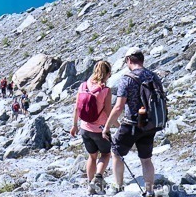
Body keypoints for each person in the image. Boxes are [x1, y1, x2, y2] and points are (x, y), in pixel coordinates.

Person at [102, 47, 165, 196]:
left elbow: (118, 107)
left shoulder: (127, 79)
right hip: (150, 124)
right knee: (146, 159)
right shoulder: (154, 76)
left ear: (129, 60)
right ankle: (149, 191)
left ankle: (118, 186)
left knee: (116, 152)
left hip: (131, 124)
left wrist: (106, 127)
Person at [70, 60, 113, 195]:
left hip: (84, 128)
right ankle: (98, 177)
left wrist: (74, 126)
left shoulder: (83, 86)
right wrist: (117, 124)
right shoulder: (105, 90)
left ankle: (90, 185)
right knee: (106, 154)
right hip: (100, 130)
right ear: (108, 74)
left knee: (92, 157)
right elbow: (108, 112)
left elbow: (77, 107)